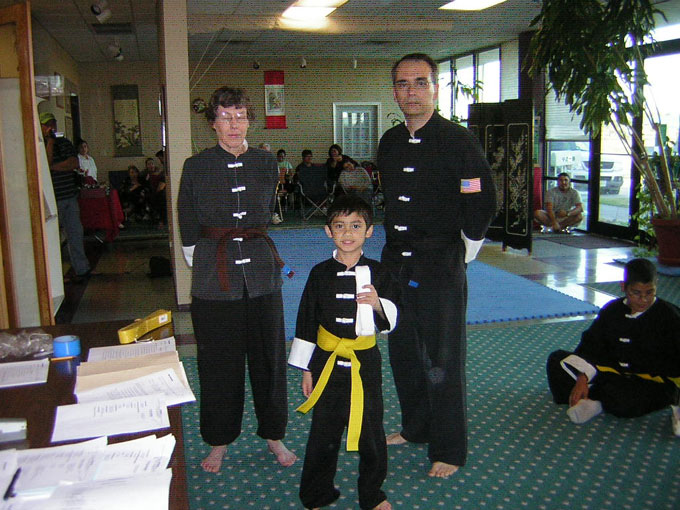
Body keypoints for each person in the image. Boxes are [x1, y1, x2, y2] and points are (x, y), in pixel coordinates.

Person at [377, 53, 496, 478]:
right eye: (403, 83)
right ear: (395, 91)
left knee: (443, 358)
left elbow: (480, 199)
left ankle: (449, 448)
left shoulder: (458, 141)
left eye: (420, 82)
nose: (411, 91)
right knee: (404, 351)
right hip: (396, 263)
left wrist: (465, 250)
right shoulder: (390, 142)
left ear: (435, 88)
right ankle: (417, 428)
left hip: (440, 261)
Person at [177, 86, 296, 474]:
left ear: (249, 121)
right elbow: (187, 219)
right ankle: (219, 440)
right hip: (215, 274)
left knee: (269, 360)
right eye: (225, 116)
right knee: (218, 364)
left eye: (240, 116)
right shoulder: (196, 166)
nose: (233, 124)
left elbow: (267, 211)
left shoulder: (266, 162)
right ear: (212, 122)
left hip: (262, 273)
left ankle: (274, 434)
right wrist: (202, 261)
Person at [288, 194, 399, 510]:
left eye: (356, 226)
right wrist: (307, 368)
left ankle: (372, 494)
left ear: (369, 231)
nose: (347, 233)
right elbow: (306, 320)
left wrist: (377, 303)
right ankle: (317, 492)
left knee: (370, 431)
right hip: (326, 361)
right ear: (328, 231)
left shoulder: (379, 272)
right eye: (339, 226)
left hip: (364, 361)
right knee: (323, 430)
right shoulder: (319, 273)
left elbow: (392, 318)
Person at [546, 258, 680, 426]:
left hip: (650, 383)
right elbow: (591, 345)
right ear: (623, 287)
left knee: (626, 399)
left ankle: (595, 402)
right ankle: (594, 397)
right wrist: (582, 377)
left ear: (656, 285)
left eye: (649, 292)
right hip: (610, 374)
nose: (643, 300)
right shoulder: (612, 310)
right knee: (557, 361)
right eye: (636, 293)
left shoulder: (670, 316)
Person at [40, 112, 92, 282]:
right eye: (47, 124)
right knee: (51, 238)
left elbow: (73, 163)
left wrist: (52, 167)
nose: (51, 127)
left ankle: (82, 269)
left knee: (75, 233)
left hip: (69, 195)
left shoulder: (65, 143)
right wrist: (50, 143)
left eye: (53, 123)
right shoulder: (39, 144)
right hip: (52, 199)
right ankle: (54, 277)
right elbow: (44, 165)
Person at [145, 157, 167, 227]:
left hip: (159, 192)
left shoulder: (160, 173)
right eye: (149, 164)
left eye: (152, 163)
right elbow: (145, 185)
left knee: (161, 197)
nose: (151, 165)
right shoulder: (145, 174)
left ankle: (162, 220)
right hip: (150, 193)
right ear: (146, 166)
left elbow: (162, 185)